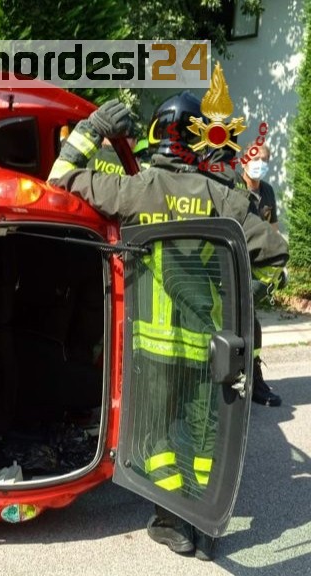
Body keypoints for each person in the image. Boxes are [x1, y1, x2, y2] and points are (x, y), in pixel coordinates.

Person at [47, 92, 289, 561]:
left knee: (155, 436)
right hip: (208, 347)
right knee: (202, 436)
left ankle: (170, 521)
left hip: (153, 347)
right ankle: (204, 519)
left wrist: (93, 128)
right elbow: (276, 254)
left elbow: (60, 177)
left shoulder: (136, 190)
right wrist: (244, 295)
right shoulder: (224, 199)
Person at [236, 142, 283, 407]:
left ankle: (253, 379)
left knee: (250, 318)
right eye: (256, 158)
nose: (260, 164)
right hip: (232, 260)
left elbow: (272, 230)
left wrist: (279, 264)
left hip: (255, 265)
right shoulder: (233, 186)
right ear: (244, 160)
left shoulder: (267, 192)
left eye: (265, 160)